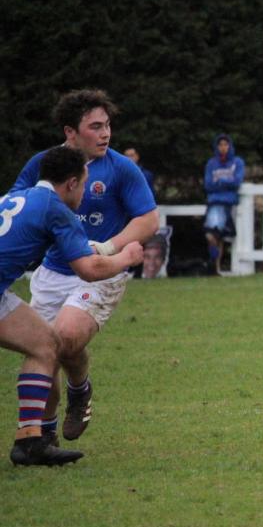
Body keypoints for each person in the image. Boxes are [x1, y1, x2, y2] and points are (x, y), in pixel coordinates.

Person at [11, 88, 159, 446]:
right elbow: (20, 203)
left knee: (65, 338)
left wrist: (109, 247)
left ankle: (79, 390)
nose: (105, 133)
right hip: (52, 272)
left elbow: (149, 219)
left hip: (101, 271)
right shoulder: (45, 164)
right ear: (70, 133)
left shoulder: (122, 168)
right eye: (95, 126)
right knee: (41, 351)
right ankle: (43, 437)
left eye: (107, 125)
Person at [2, 147, 143, 465]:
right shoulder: (56, 209)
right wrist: (126, 257)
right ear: (70, 183)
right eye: (83, 183)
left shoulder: (20, 196)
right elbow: (89, 270)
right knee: (46, 343)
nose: (85, 192)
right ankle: (33, 441)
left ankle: (30, 441)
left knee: (45, 343)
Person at [204, 134, 245, 275]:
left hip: (228, 203)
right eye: (220, 145)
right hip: (214, 202)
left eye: (225, 145)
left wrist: (220, 182)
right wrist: (226, 182)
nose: (223, 148)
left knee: (218, 236)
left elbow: (237, 182)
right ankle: (213, 264)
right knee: (211, 234)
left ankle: (215, 267)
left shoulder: (237, 162)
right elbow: (208, 185)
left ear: (230, 146)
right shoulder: (211, 163)